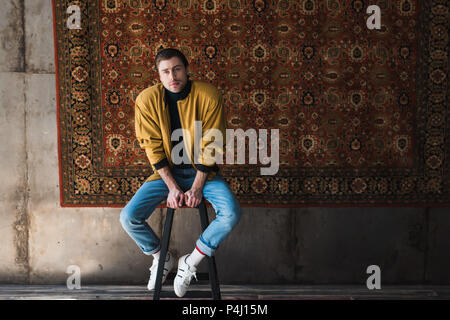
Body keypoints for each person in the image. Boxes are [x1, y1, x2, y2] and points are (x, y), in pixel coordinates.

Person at [120, 48, 242, 297]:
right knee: (129, 217)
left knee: (231, 213)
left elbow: (213, 143)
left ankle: (190, 262)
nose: (172, 76)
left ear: (187, 69)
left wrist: (197, 186)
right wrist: (173, 187)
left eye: (176, 69)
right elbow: (152, 146)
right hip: (166, 175)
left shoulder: (208, 95)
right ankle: (161, 257)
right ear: (159, 75)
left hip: (204, 175)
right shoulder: (146, 100)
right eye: (165, 71)